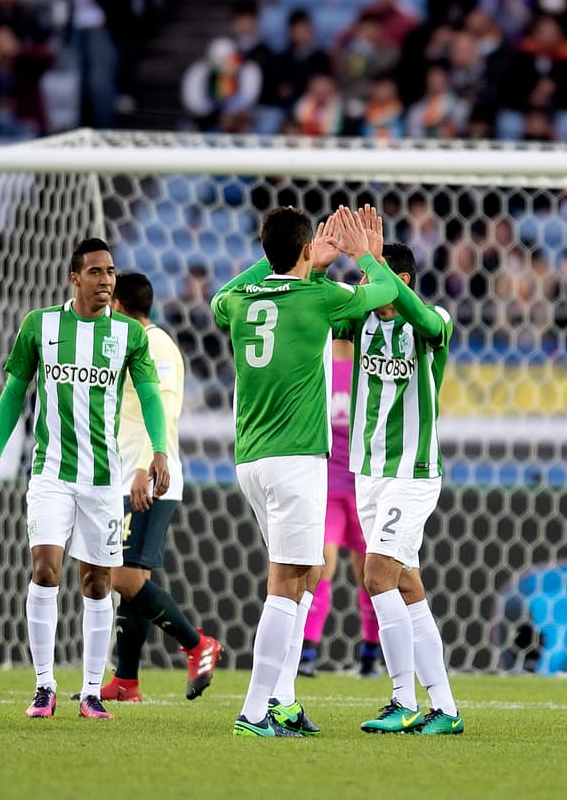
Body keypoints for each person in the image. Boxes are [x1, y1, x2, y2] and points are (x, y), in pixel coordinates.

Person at [211, 205, 400, 738]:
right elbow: (382, 293)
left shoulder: (238, 300)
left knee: (307, 574)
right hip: (297, 460)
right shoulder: (321, 296)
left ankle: (286, 699)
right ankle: (255, 710)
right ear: (304, 248)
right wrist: (366, 254)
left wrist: (293, 261)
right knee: (287, 581)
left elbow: (218, 298)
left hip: (251, 459)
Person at [0, 238, 171, 720]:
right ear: (74, 278)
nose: (106, 280)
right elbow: (13, 395)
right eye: (96, 272)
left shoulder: (129, 334)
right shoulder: (39, 326)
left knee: (98, 582)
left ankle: (88, 692)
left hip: (105, 480)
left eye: (110, 272)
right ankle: (44, 686)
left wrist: (159, 450)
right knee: (44, 568)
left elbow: (150, 397)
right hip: (50, 473)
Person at [337, 219, 466, 737]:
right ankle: (446, 709)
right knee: (408, 587)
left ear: (405, 281)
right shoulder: (359, 321)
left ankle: (399, 699)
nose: (374, 290)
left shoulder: (433, 320)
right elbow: (328, 300)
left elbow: (424, 319)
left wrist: (370, 263)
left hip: (412, 473)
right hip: (368, 473)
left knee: (376, 578)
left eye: (384, 280)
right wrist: (327, 262)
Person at [99, 272, 222, 703]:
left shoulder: (157, 347)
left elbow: (164, 408)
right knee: (134, 580)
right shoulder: (135, 345)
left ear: (117, 305)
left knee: (123, 576)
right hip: (130, 476)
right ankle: (126, 681)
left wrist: (144, 466)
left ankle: (197, 644)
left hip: (150, 478)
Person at [299, 337, 382, 679]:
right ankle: (307, 651)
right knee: (323, 565)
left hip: (363, 486)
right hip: (329, 485)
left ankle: (370, 652)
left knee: (370, 575)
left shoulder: (369, 367)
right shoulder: (319, 364)